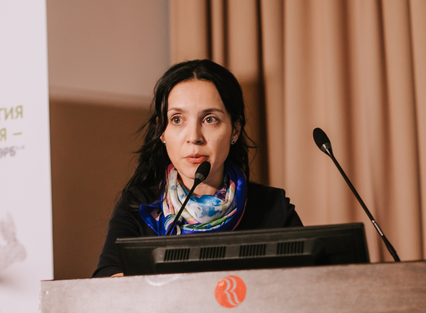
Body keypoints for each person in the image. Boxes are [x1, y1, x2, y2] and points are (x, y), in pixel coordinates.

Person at [93, 59, 302, 279]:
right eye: (177, 119)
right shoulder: (139, 205)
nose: (194, 137)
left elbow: (311, 283)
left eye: (210, 119)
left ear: (235, 129)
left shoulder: (273, 208)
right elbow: (107, 284)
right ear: (162, 131)